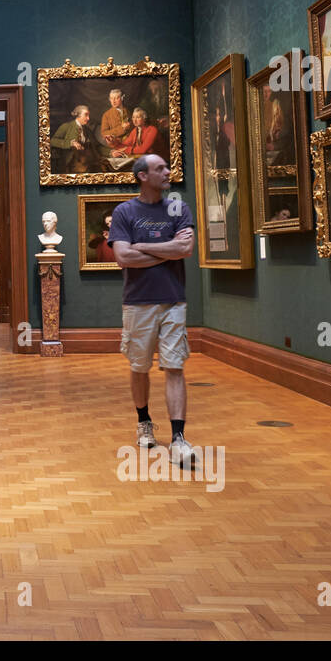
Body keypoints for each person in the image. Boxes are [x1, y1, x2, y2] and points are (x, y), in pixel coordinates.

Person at [108, 153, 197, 466]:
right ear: (143, 175)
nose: (168, 172)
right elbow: (123, 257)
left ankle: (178, 438)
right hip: (138, 302)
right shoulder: (125, 211)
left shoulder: (177, 206)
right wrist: (167, 251)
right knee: (139, 366)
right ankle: (144, 422)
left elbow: (185, 248)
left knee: (175, 366)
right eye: (160, 168)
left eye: (167, 167)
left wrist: (142, 246)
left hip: (174, 299)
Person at [51, 104, 94, 173]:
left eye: (88, 115)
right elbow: (52, 141)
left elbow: (97, 146)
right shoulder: (66, 126)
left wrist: (111, 152)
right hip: (70, 163)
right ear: (78, 115)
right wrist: (70, 143)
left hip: (86, 161)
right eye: (86, 115)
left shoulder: (87, 130)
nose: (88, 118)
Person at [100, 89, 131, 156]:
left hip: (131, 144)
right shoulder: (106, 115)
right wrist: (122, 128)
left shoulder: (129, 111)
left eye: (116, 98)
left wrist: (130, 126)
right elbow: (104, 133)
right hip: (117, 147)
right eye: (111, 98)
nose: (113, 101)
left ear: (122, 98)